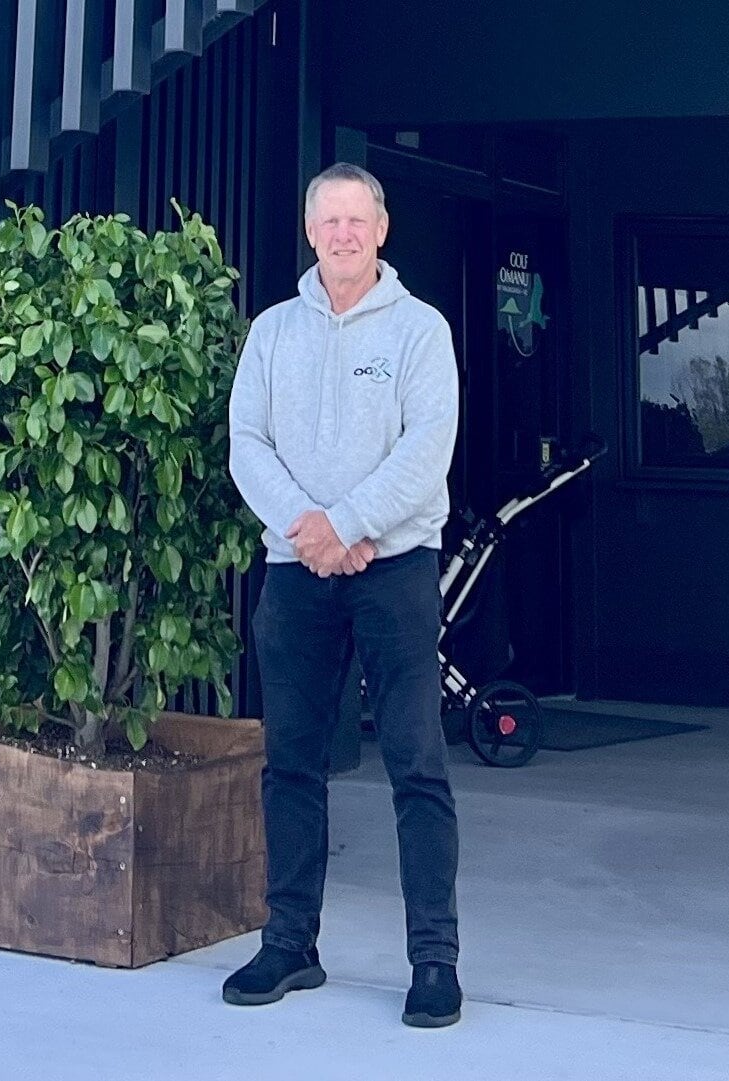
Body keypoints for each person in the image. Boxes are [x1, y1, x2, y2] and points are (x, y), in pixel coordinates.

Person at [222, 162, 463, 1028]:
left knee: (417, 763)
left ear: (382, 230)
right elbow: (246, 442)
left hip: (394, 571)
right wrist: (309, 531)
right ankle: (290, 942)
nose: (344, 234)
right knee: (291, 761)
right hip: (295, 572)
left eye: (358, 219)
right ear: (309, 230)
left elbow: (426, 446)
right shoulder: (273, 332)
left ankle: (433, 958)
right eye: (329, 220)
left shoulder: (420, 332)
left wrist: (352, 523)